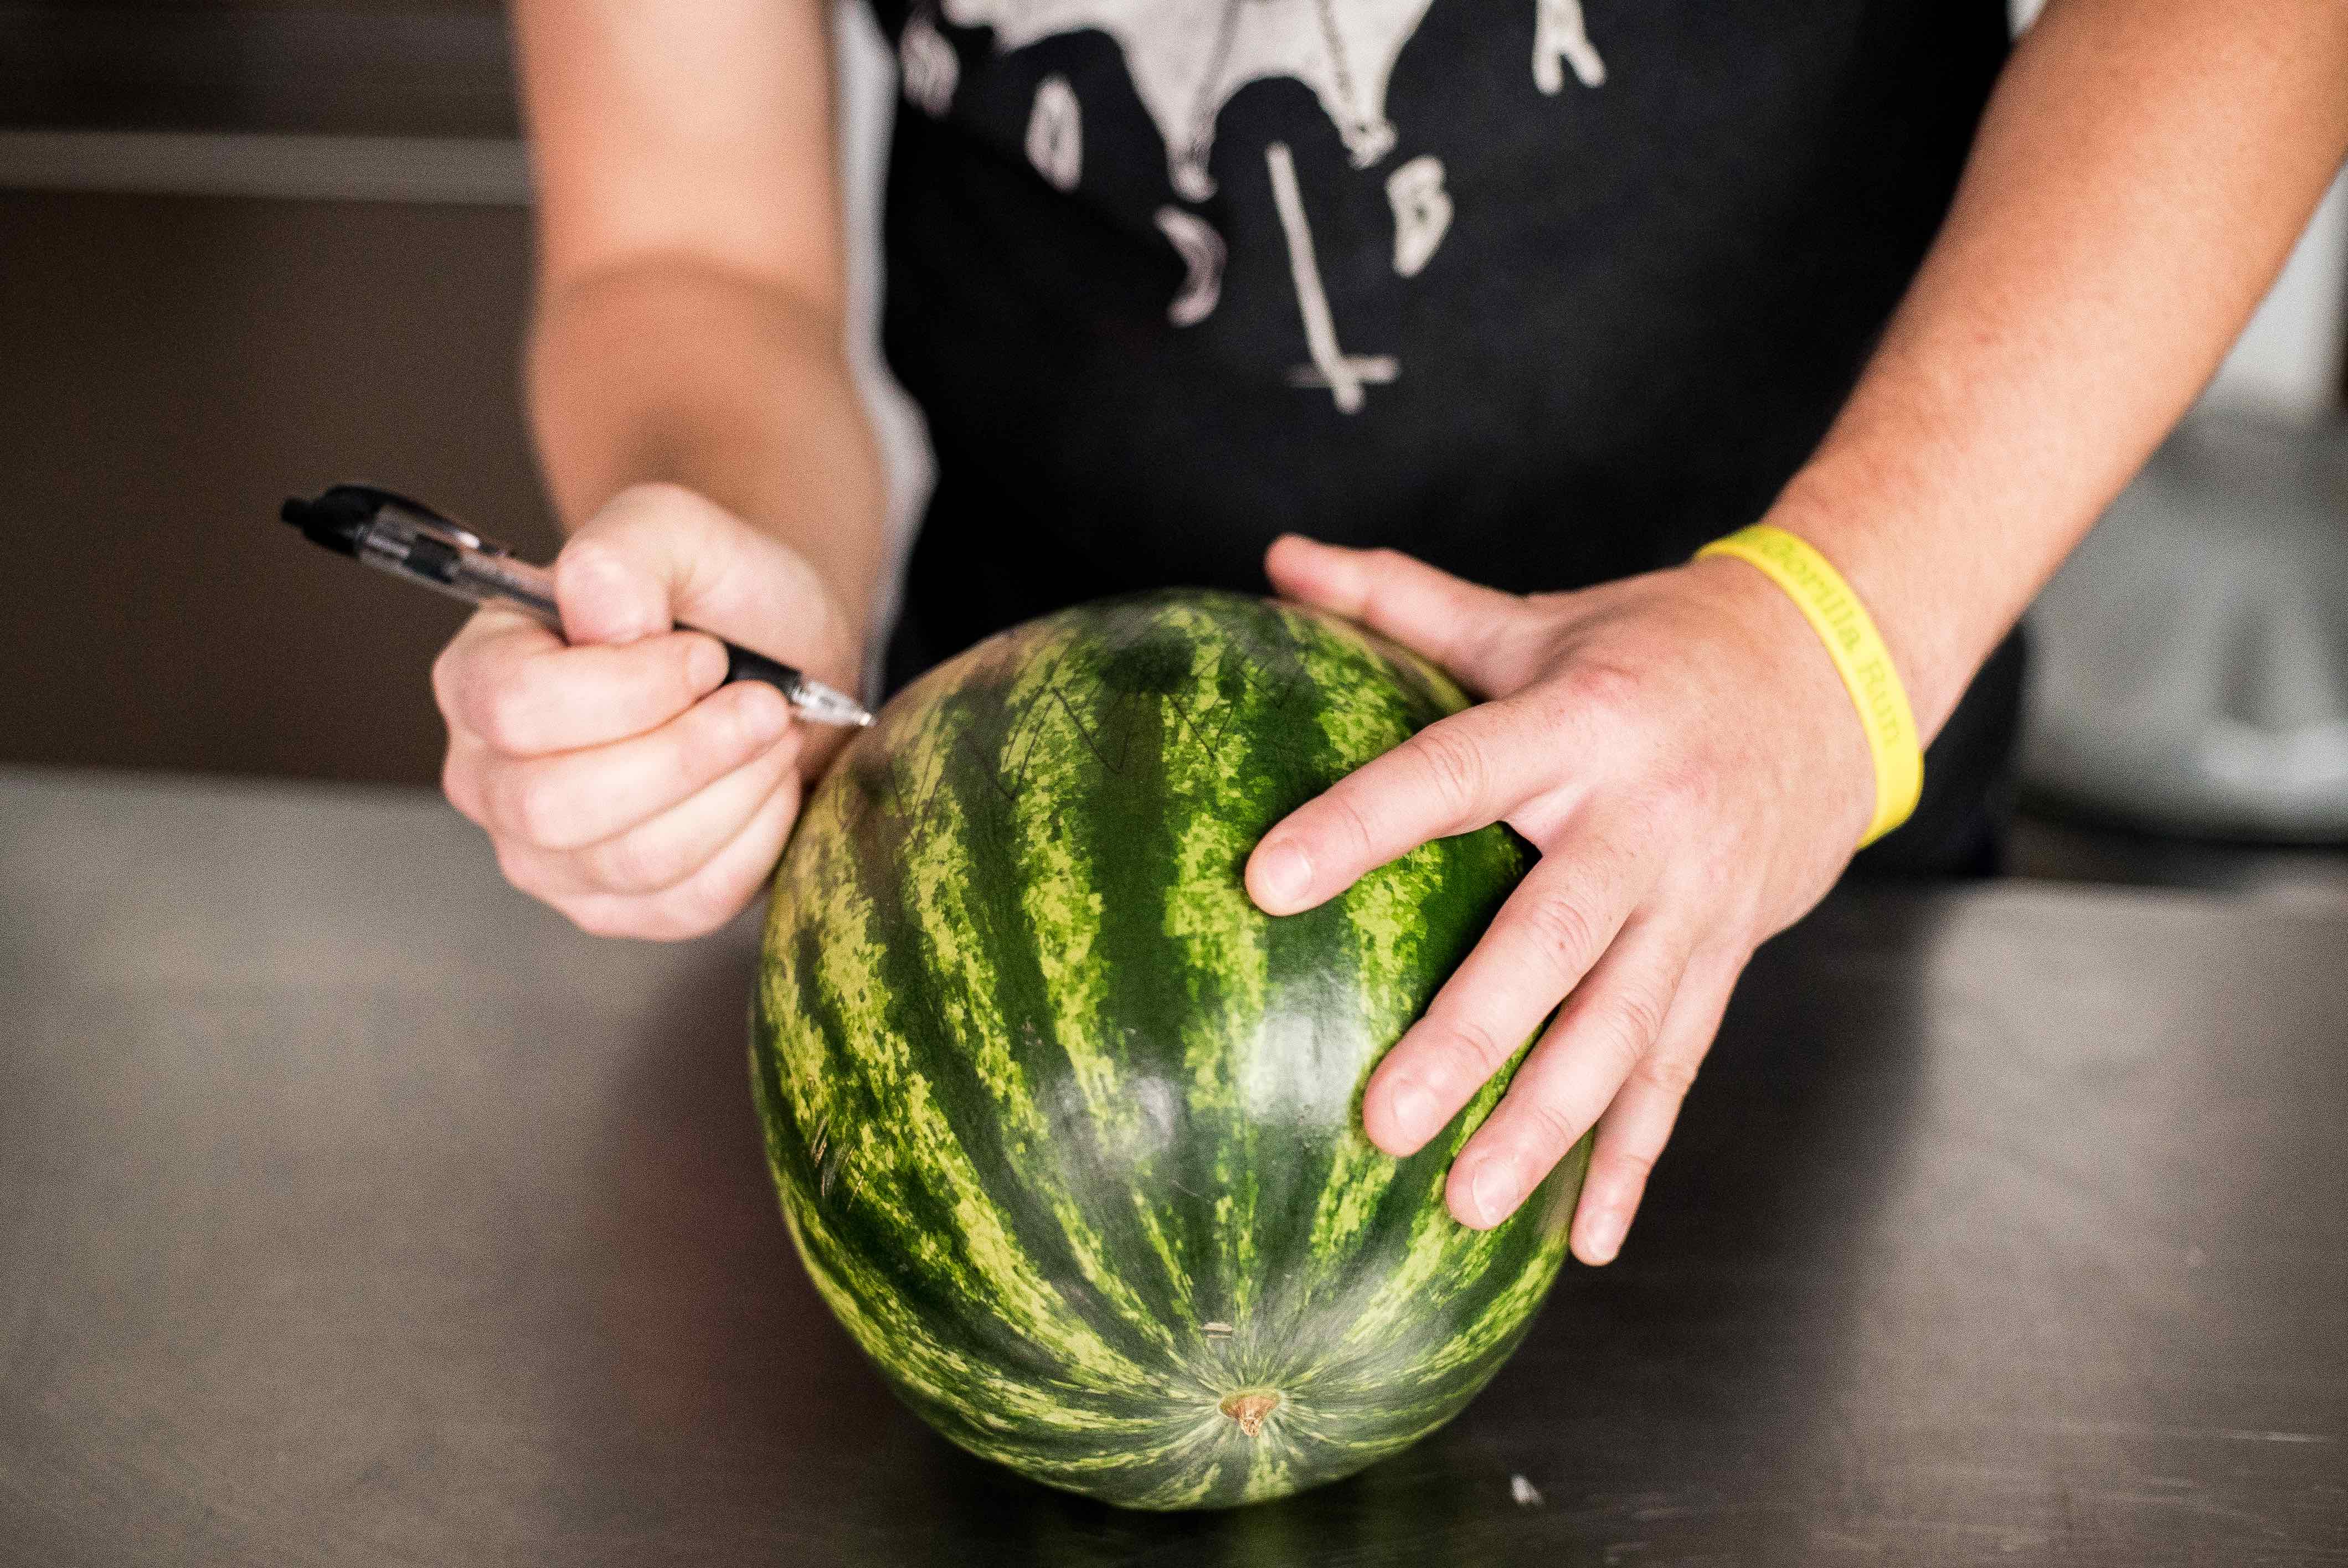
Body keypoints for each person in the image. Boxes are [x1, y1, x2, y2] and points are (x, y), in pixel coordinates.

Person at [432, 0, 2348, 1261]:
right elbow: (688, 250)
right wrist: (732, 573)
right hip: (1022, 895)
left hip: (1794, 795)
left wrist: (1833, 638)